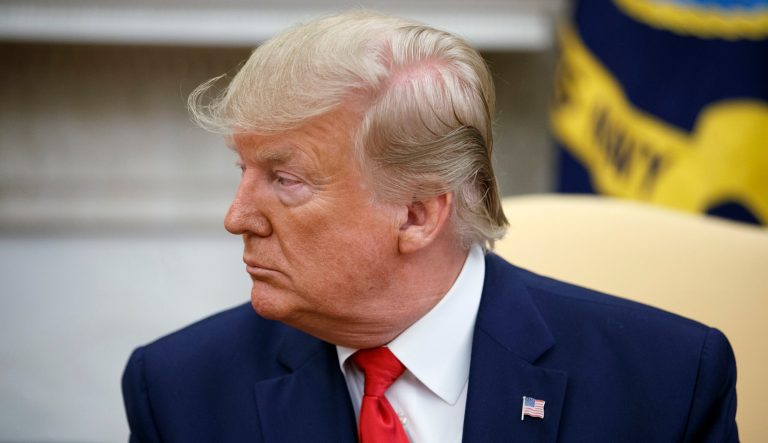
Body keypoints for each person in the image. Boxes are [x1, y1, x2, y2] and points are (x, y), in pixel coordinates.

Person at [121, 10, 738, 443]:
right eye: (243, 171)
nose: (237, 218)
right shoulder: (180, 390)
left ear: (418, 213)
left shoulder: (663, 383)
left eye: (286, 181)